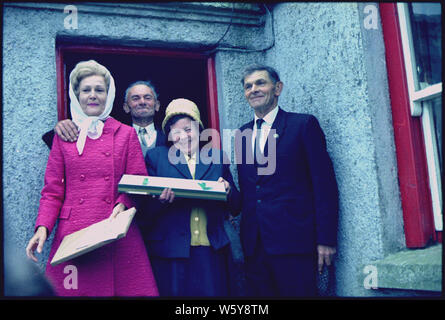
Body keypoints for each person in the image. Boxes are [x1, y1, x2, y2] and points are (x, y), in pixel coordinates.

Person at [25, 60, 159, 297]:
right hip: (74, 234)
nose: (93, 95)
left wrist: (123, 204)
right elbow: (52, 190)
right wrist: (43, 227)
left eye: (99, 90)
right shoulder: (63, 135)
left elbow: (138, 180)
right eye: (86, 90)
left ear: (109, 95)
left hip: (115, 230)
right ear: (77, 95)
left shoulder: (125, 133)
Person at [234, 64, 339, 297]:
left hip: (294, 243)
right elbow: (251, 190)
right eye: (248, 86)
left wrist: (326, 240)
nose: (253, 90)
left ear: (277, 88)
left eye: (260, 83)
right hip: (255, 247)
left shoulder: (302, 125)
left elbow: (324, 186)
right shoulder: (242, 134)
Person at [136, 98, 241, 297]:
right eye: (176, 131)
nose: (183, 136)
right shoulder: (156, 157)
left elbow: (236, 206)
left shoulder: (216, 158)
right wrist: (160, 202)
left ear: (200, 130)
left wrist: (227, 191)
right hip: (171, 250)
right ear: (169, 135)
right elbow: (144, 210)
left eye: (188, 129)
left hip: (211, 250)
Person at [44, 80, 167, 154]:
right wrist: (61, 127)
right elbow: (52, 140)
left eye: (147, 98)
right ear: (126, 107)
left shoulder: (169, 138)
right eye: (135, 98)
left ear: (157, 105)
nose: (142, 102)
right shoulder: (111, 132)